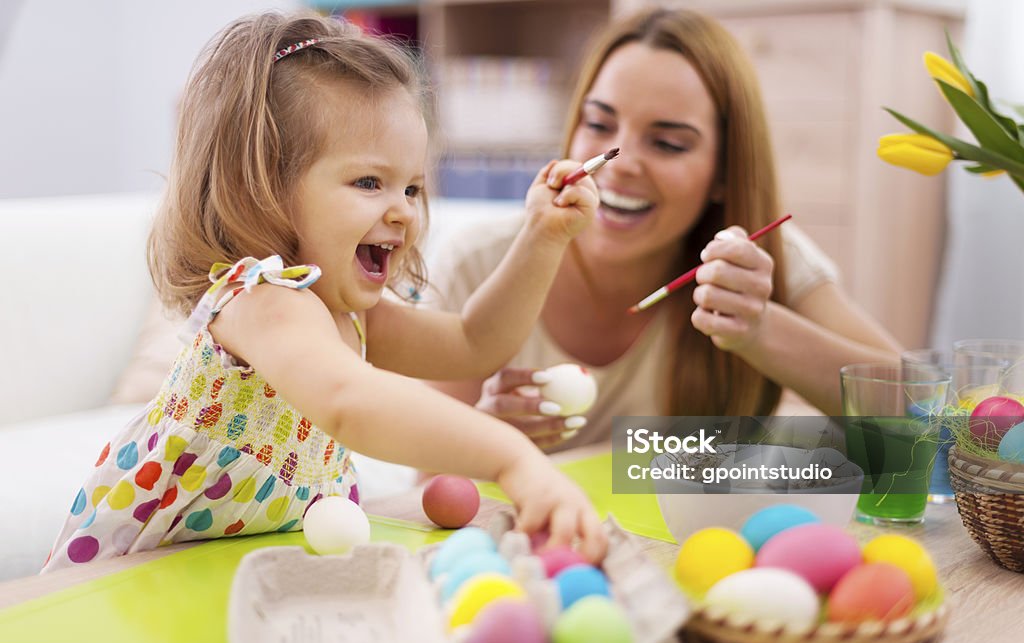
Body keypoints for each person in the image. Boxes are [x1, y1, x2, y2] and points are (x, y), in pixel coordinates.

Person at [42, 11, 607, 573]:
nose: (404, 210)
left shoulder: (350, 315)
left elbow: (473, 342)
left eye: (411, 187)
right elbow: (348, 401)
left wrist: (542, 237)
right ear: (264, 186)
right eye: (369, 182)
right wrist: (512, 459)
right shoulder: (261, 301)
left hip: (239, 570)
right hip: (137, 575)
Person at [425, 8, 901, 451]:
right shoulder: (477, 262)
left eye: (668, 143)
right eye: (598, 123)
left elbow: (918, 414)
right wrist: (482, 445)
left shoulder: (753, 262)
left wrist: (760, 329)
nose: (620, 163)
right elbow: (428, 490)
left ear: (723, 173)